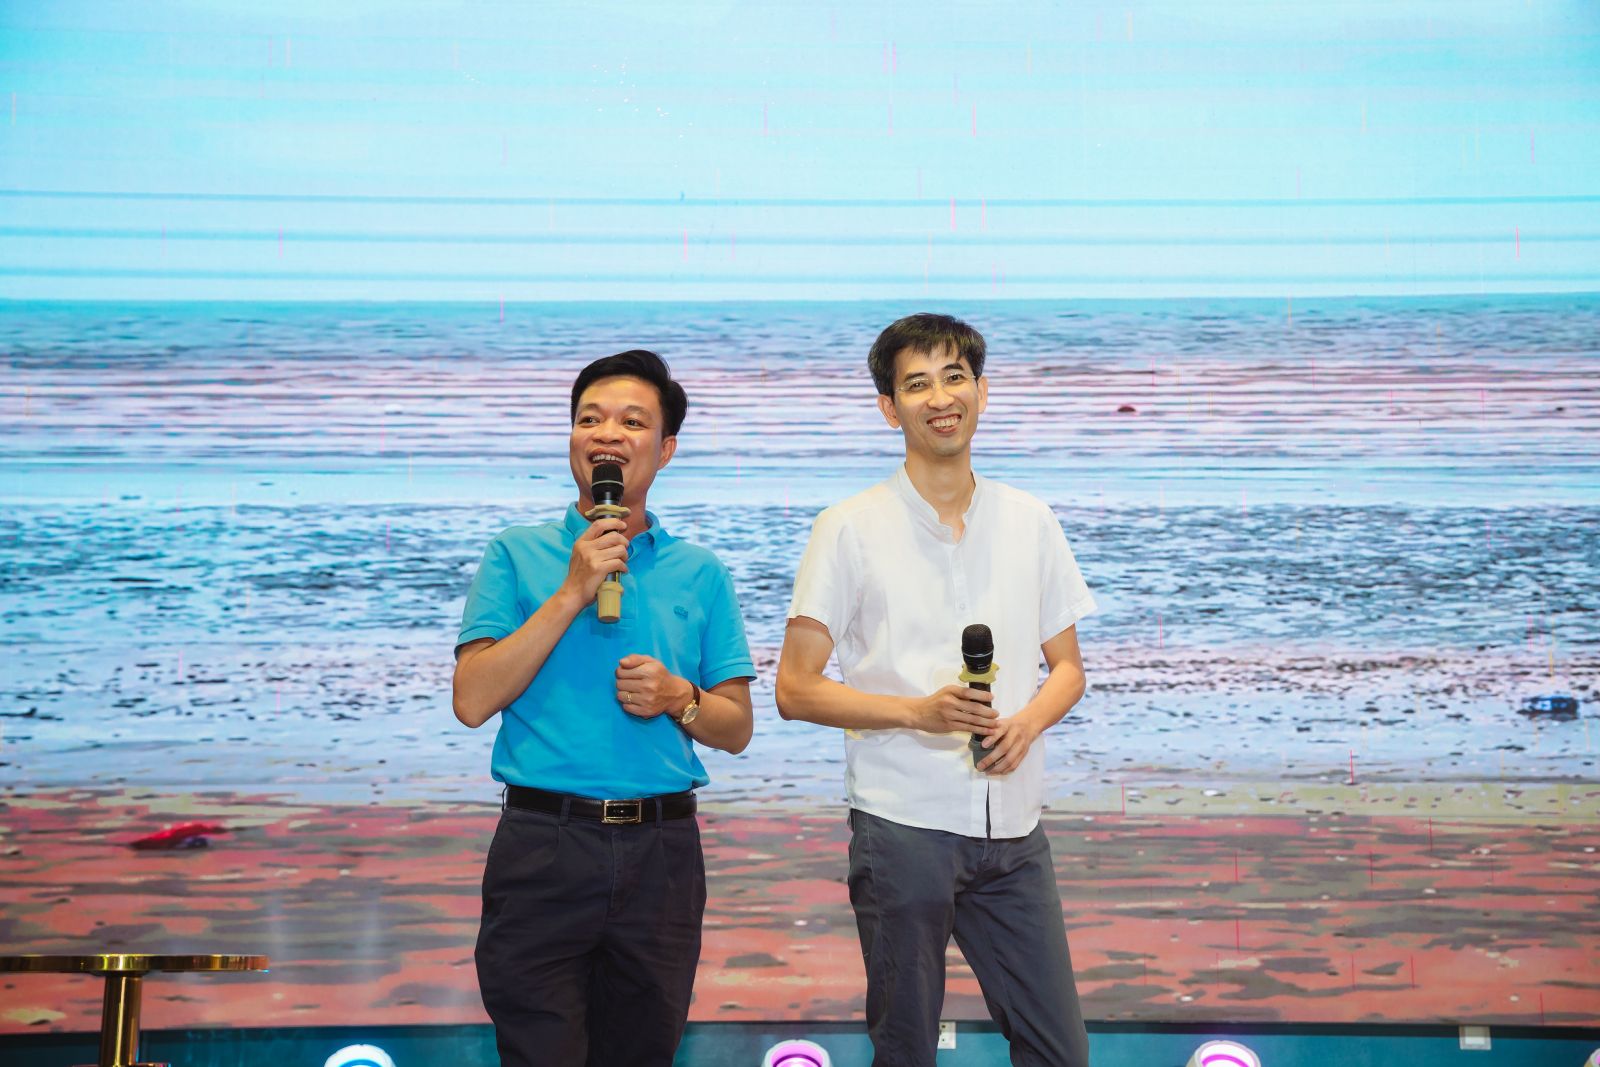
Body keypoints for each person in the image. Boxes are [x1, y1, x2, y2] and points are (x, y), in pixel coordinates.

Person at [775, 314, 1095, 1066]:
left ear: (982, 392)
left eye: (955, 377)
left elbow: (1068, 668)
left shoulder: (1031, 520)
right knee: (907, 1048)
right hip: (903, 824)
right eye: (917, 384)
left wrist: (1027, 723)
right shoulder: (847, 528)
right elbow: (795, 688)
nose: (941, 397)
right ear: (890, 408)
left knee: (1060, 1050)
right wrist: (916, 713)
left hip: (1014, 830)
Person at [452, 349, 756, 1067]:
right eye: (590, 419)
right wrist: (572, 590)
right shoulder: (516, 553)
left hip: (661, 852)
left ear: (665, 448)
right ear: (572, 439)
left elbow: (737, 727)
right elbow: (472, 699)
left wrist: (680, 698)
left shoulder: (700, 571)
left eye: (631, 422)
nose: (607, 434)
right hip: (544, 844)